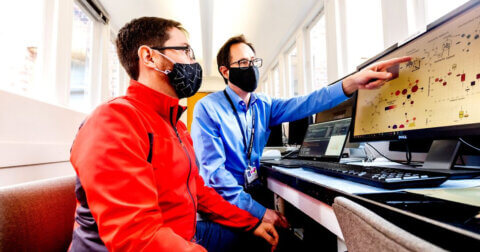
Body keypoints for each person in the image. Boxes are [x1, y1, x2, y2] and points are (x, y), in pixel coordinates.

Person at [69, 18, 278, 252]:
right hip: (158, 243)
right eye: (186, 51)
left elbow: (199, 191)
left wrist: (251, 223)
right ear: (149, 57)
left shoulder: (176, 127)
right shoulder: (113, 121)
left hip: (185, 235)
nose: (193, 61)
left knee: (264, 240)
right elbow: (138, 238)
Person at [190, 35, 410, 228]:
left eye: (254, 61)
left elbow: (307, 103)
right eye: (244, 62)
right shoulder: (207, 108)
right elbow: (216, 178)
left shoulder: (264, 105)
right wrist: (260, 212)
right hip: (225, 203)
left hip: (251, 191)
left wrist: (351, 83)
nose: (252, 67)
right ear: (225, 71)